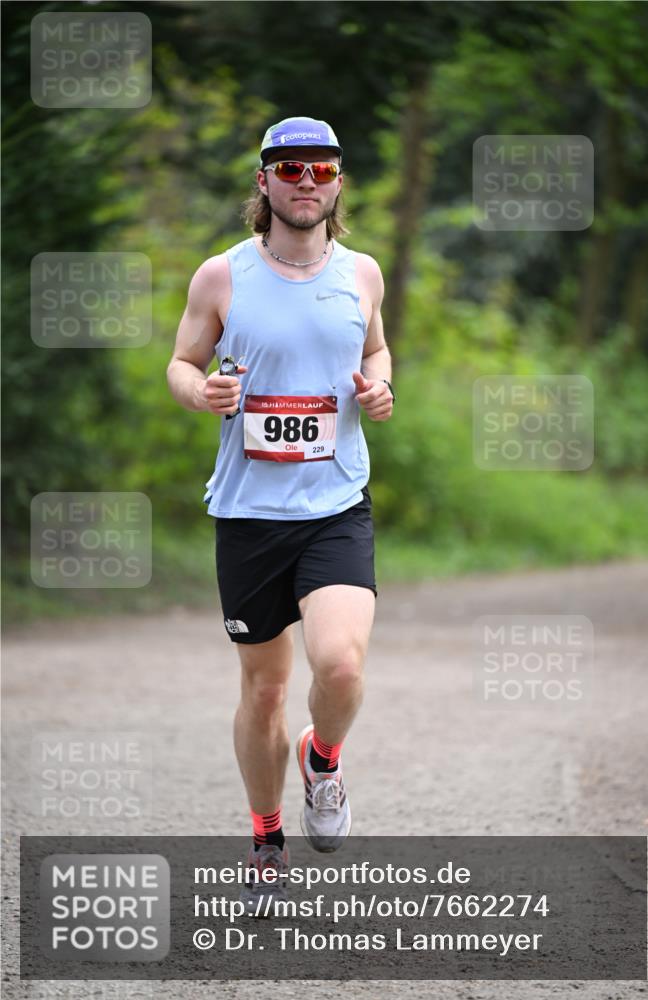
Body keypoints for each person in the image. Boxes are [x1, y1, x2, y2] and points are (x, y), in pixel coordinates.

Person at [166, 116, 394, 915]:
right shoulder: (221, 276)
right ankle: (266, 840)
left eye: (321, 169)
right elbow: (182, 363)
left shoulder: (361, 273)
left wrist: (379, 383)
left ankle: (322, 759)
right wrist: (202, 392)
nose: (306, 181)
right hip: (249, 514)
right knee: (263, 691)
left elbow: (373, 349)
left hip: (334, 502)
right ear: (262, 183)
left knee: (339, 666)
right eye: (288, 168)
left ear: (337, 183)